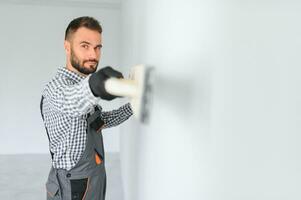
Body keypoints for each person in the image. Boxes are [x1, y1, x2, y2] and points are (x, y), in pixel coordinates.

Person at [40, 16, 133, 200]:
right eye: (85, 45)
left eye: (98, 47)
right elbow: (73, 101)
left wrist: (132, 107)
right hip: (72, 188)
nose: (93, 54)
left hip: (92, 179)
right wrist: (97, 84)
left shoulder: (84, 90)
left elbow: (100, 122)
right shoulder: (56, 89)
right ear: (67, 47)